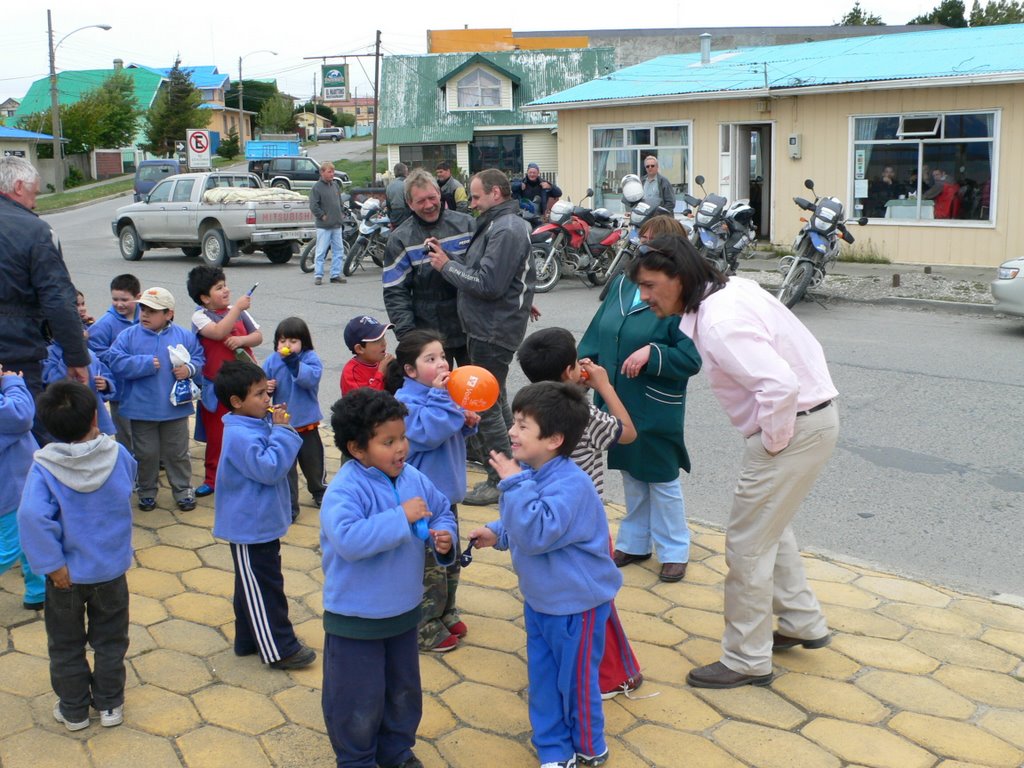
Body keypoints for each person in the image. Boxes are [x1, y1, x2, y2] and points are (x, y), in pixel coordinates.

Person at [629, 234, 840, 690]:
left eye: (649, 286)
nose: (643, 297)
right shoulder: (732, 290)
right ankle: (803, 620)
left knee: (747, 546)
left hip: (793, 426)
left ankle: (746, 659)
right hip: (815, 418)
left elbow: (779, 385)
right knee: (770, 530)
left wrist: (771, 441)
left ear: (679, 277)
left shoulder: (720, 320)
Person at [467, 383, 622, 768]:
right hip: (541, 600)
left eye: (523, 426)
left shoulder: (571, 484)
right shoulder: (533, 472)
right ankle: (554, 749)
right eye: (514, 422)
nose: (513, 432)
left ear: (554, 439)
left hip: (576, 606)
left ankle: (589, 746)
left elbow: (538, 530)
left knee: (574, 682)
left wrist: (513, 482)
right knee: (543, 679)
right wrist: (497, 532)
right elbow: (521, 520)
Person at [320, 387, 456, 768]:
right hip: (356, 620)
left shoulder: (412, 477)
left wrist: (446, 539)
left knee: (402, 691)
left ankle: (396, 750)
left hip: (403, 612)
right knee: (355, 697)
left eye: (403, 437)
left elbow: (442, 510)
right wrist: (402, 517)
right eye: (388, 441)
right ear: (357, 448)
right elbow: (348, 540)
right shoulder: (346, 489)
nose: (401, 448)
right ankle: (357, 758)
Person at [517, 327, 647, 700]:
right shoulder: (584, 415)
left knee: (564, 603)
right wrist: (604, 385)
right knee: (594, 603)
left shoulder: (527, 414)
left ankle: (584, 668)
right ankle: (610, 677)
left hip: (544, 521)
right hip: (586, 528)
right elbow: (628, 433)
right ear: (570, 371)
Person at [578, 217, 702, 584]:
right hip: (616, 397)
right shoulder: (620, 284)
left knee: (661, 479)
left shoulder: (682, 298)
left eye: (651, 242)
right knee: (631, 473)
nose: (641, 246)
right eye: (641, 239)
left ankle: (675, 548)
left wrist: (653, 352)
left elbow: (691, 358)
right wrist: (583, 366)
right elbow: (597, 335)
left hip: (654, 403)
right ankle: (635, 542)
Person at [18, 380, 136, 731]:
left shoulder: (44, 467)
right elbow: (129, 482)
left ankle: (74, 711)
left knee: (66, 644)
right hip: (111, 571)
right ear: (95, 420)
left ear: (50, 427)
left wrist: (52, 566)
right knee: (111, 640)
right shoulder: (117, 455)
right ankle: (110, 704)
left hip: (66, 577)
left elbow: (32, 517)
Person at [428, 168, 535, 505]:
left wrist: (446, 266)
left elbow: (488, 284)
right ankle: (512, 467)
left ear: (495, 194)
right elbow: (493, 274)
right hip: (489, 325)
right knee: (496, 398)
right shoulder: (500, 223)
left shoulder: (506, 228)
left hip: (492, 329)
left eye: (475, 197)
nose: (471, 204)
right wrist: (452, 260)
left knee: (484, 404)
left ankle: (499, 479)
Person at [213, 360, 317, 671]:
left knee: (254, 582)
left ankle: (247, 638)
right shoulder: (240, 435)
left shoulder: (252, 424)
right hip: (249, 527)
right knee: (265, 586)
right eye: (259, 394)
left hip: (260, 524)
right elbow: (270, 469)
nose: (267, 400)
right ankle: (279, 648)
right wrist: (284, 431)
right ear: (236, 402)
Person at [386, 330, 480, 653]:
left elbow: (450, 433)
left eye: (442, 356)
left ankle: (446, 610)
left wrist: (466, 422)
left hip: (446, 498)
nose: (442, 364)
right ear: (410, 371)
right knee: (429, 566)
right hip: (421, 504)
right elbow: (428, 433)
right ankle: (423, 625)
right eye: (431, 359)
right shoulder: (404, 403)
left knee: (449, 558)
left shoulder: (443, 395)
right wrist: (446, 402)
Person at [0, 155, 89, 444]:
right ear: (17, 186)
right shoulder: (36, 231)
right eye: (34, 193)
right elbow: (59, 300)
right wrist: (76, 357)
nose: (35, 203)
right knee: (26, 432)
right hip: (16, 351)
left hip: (15, 343)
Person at [107, 287, 204, 513]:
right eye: (143, 309)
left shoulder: (183, 335)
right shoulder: (129, 335)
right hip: (141, 409)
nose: (145, 314)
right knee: (145, 454)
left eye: (153, 310)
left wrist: (189, 369)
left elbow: (200, 359)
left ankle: (183, 490)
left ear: (169, 314)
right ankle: (147, 491)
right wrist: (145, 363)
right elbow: (115, 361)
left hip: (176, 409)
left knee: (177, 452)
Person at [382, 169, 474, 367]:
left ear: (439, 194)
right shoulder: (400, 239)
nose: (429, 205)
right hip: (430, 333)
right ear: (409, 204)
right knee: (436, 395)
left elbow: (486, 273)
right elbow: (395, 292)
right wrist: (409, 338)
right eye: (420, 201)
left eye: (432, 198)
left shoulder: (467, 225)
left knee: (479, 393)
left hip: (472, 328)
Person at [187, 265, 263, 497]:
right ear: (204, 297)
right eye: (219, 288)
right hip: (216, 386)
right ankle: (213, 478)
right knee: (217, 434)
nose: (226, 291)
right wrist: (237, 308)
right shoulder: (199, 317)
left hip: (246, 384)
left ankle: (248, 472)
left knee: (251, 428)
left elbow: (258, 336)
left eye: (225, 285)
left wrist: (242, 340)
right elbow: (219, 332)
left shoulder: (238, 311)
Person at [263, 317, 327, 518]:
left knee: (313, 463)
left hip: (307, 423)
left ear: (303, 342)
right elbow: (261, 385)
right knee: (286, 468)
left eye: (293, 341)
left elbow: (309, 379)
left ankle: (319, 491)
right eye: (282, 341)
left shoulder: (309, 358)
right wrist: (267, 387)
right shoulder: (273, 360)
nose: (287, 345)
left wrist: (294, 363)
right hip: (283, 425)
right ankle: (290, 506)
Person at [0, 366, 44, 611]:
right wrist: (12, 383)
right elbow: (21, 416)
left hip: (18, 479)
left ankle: (38, 592)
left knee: (32, 535)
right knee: (11, 545)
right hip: (10, 487)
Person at [87, 273, 141, 452]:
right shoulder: (105, 324)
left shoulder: (146, 316)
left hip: (144, 387)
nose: (119, 304)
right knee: (125, 431)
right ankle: (129, 462)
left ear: (138, 297)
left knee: (144, 428)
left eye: (124, 299)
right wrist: (124, 359)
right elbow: (95, 352)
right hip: (120, 389)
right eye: (115, 299)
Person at [309, 161, 347, 286]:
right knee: (321, 251)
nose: (332, 174)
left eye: (333, 172)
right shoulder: (316, 187)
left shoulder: (335, 185)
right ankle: (318, 275)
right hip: (324, 226)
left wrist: (341, 212)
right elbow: (313, 206)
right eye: (329, 172)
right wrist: (322, 216)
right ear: (322, 172)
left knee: (338, 250)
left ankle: (335, 274)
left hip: (336, 224)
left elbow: (339, 201)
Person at [341, 315, 395, 395]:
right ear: (359, 349)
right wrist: (380, 374)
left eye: (383, 338)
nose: (384, 343)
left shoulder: (382, 362)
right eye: (376, 341)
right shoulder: (351, 373)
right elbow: (366, 403)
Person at [386, 162, 411, 228]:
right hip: (406, 217)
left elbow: (388, 205)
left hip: (394, 217)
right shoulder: (407, 184)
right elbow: (410, 202)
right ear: (405, 172)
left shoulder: (389, 186)